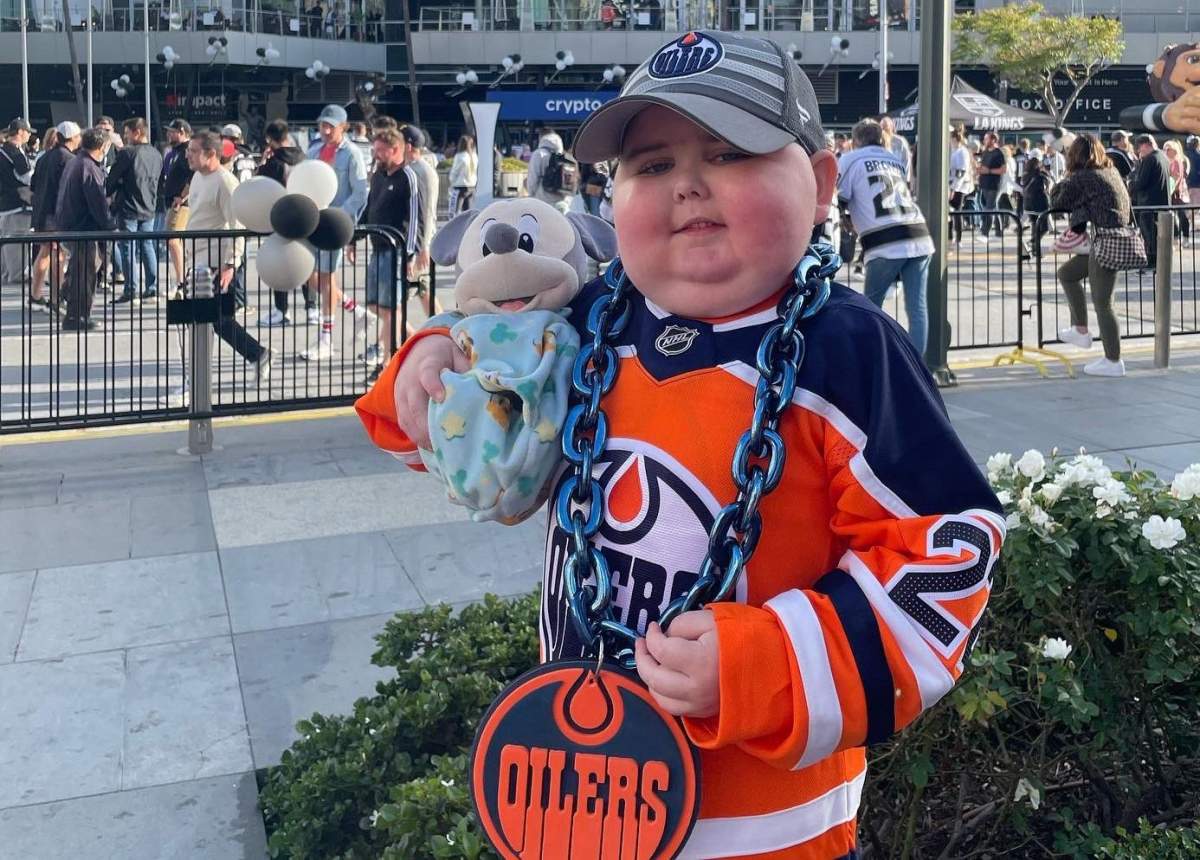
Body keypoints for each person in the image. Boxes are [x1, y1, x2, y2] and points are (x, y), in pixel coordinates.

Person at [358, 30, 1004, 858]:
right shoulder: (586, 326)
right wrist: (433, 362)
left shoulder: (849, 351)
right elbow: (468, 441)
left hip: (770, 832)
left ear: (815, 185)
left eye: (731, 152)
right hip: (577, 803)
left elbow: (946, 553)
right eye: (651, 165)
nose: (689, 185)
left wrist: (766, 663)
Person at [838, 118, 934, 354]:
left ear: (856, 140)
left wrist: (847, 219)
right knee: (917, 309)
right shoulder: (893, 158)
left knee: (870, 309)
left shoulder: (850, 159)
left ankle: (871, 364)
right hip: (918, 234)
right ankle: (918, 371)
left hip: (884, 240)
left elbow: (839, 196)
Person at [184, 131, 273, 379]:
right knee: (213, 322)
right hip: (197, 259)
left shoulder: (225, 182)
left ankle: (197, 379)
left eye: (192, 151)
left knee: (206, 322)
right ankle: (257, 354)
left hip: (214, 262)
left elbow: (237, 225)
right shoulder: (198, 177)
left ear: (210, 154)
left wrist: (230, 263)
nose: (187, 155)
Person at [1050, 134, 1134, 378]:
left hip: (1106, 241)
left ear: (1075, 155)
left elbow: (1057, 201)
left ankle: (1113, 360)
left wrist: (1065, 178)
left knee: (1103, 303)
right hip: (1110, 238)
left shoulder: (1085, 177)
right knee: (1067, 273)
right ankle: (1081, 329)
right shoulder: (1110, 172)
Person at [300, 104, 370, 361]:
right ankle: (357, 311)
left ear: (343, 127)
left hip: (332, 224)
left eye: (331, 125)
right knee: (309, 275)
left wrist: (339, 218)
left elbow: (360, 192)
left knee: (327, 279)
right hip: (312, 222)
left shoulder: (352, 154)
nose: (326, 130)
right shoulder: (314, 150)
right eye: (322, 125)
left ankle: (326, 339)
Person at [361, 127, 421, 368]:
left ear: (395, 150)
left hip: (395, 250)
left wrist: (410, 254)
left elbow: (415, 217)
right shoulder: (378, 176)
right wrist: (354, 237)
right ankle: (415, 340)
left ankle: (386, 362)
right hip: (377, 246)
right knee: (377, 305)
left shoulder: (407, 176)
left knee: (390, 307)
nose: (376, 155)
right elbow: (369, 207)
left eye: (380, 150)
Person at [56, 127, 115, 331]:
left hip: (73, 226)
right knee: (85, 274)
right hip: (84, 229)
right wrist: (110, 225)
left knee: (80, 271)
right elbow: (97, 202)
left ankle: (73, 308)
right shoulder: (88, 167)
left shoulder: (76, 162)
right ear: (102, 146)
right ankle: (78, 316)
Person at [257, 119, 312, 327]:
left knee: (278, 263)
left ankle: (282, 310)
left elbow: (259, 186)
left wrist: (262, 163)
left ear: (269, 139)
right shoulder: (304, 159)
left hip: (278, 218)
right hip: (303, 216)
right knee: (305, 261)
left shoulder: (273, 163)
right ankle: (311, 307)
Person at [107, 117, 163, 304]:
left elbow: (112, 179)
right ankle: (152, 287)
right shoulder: (156, 154)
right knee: (147, 245)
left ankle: (131, 290)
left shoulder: (127, 154)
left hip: (129, 206)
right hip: (149, 206)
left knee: (127, 247)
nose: (125, 137)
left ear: (137, 132)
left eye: (127, 133)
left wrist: (114, 188)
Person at [29, 121, 80, 312]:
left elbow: (33, 186)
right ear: (73, 138)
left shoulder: (44, 157)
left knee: (45, 252)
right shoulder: (68, 159)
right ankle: (56, 298)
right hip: (57, 215)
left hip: (41, 212)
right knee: (58, 254)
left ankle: (35, 295)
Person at [401, 125, 441, 322]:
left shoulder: (420, 171)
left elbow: (426, 211)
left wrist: (422, 247)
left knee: (415, 290)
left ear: (408, 146)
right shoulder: (415, 168)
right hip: (418, 239)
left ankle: (442, 328)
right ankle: (443, 327)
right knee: (422, 290)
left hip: (420, 240)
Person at [158, 118, 194, 297]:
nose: (168, 134)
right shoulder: (172, 152)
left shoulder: (187, 150)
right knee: (174, 241)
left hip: (181, 203)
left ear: (181, 132)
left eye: (172, 131)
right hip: (170, 200)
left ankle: (180, 282)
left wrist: (182, 196)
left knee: (173, 240)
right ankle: (181, 279)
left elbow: (192, 175)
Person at [0, 117, 35, 289]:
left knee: (7, 242)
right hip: (17, 205)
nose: (30, 135)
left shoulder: (3, 151)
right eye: (28, 132)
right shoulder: (14, 152)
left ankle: (8, 273)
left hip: (5, 204)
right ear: (21, 132)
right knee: (17, 241)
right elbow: (28, 177)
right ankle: (18, 275)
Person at [1129, 133, 1170, 270]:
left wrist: (1130, 184)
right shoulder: (1163, 156)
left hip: (1149, 203)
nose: (1140, 152)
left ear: (1146, 145)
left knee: (1150, 234)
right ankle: (1157, 260)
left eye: (1140, 148)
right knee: (1157, 233)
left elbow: (1141, 182)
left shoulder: (1150, 159)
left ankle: (1152, 261)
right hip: (1161, 202)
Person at [525, 129, 575, 213]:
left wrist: (531, 194)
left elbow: (532, 180)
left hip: (543, 201)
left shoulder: (538, 154)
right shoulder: (566, 157)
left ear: (542, 138)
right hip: (562, 203)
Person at [976, 131, 1006, 243]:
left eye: (986, 138)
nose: (984, 141)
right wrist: (978, 170)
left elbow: (1003, 170)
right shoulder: (985, 152)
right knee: (993, 208)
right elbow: (982, 167)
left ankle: (985, 233)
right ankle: (999, 232)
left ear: (993, 140)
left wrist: (988, 171)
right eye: (984, 139)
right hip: (984, 183)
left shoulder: (999, 153)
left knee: (989, 209)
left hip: (994, 184)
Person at [948, 129, 975, 247]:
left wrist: (954, 188)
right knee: (949, 212)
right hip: (951, 183)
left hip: (960, 186)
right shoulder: (952, 150)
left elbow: (961, 172)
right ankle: (949, 236)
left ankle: (958, 238)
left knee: (957, 211)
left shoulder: (962, 152)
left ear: (954, 139)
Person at [1021, 157, 1051, 257]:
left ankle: (1035, 251)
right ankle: (1033, 242)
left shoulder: (1025, 175)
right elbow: (1047, 186)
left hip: (1028, 205)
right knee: (1044, 228)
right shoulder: (1041, 175)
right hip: (1040, 204)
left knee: (1035, 226)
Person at [1163, 138, 1191, 245]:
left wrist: (1172, 189)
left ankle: (1185, 237)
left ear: (1174, 150)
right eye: (1165, 148)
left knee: (1182, 215)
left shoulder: (1178, 161)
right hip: (1170, 192)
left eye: (1168, 148)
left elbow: (1177, 177)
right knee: (1172, 215)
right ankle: (1176, 237)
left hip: (1178, 192)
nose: (1166, 151)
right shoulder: (1166, 161)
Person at [447, 133, 477, 214]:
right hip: (472, 186)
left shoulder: (460, 156)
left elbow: (454, 172)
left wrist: (451, 182)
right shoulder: (474, 156)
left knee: (455, 211)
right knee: (468, 211)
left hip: (460, 186)